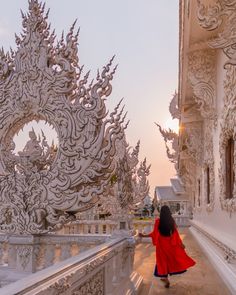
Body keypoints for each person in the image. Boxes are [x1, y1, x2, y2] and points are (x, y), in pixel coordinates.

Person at [139, 205, 196, 288]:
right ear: (169, 212)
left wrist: (144, 235)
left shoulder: (158, 221)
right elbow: (175, 234)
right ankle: (164, 277)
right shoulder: (172, 221)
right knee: (171, 260)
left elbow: (154, 234)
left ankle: (164, 278)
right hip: (170, 245)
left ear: (161, 213)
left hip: (161, 246)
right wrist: (181, 244)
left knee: (162, 262)